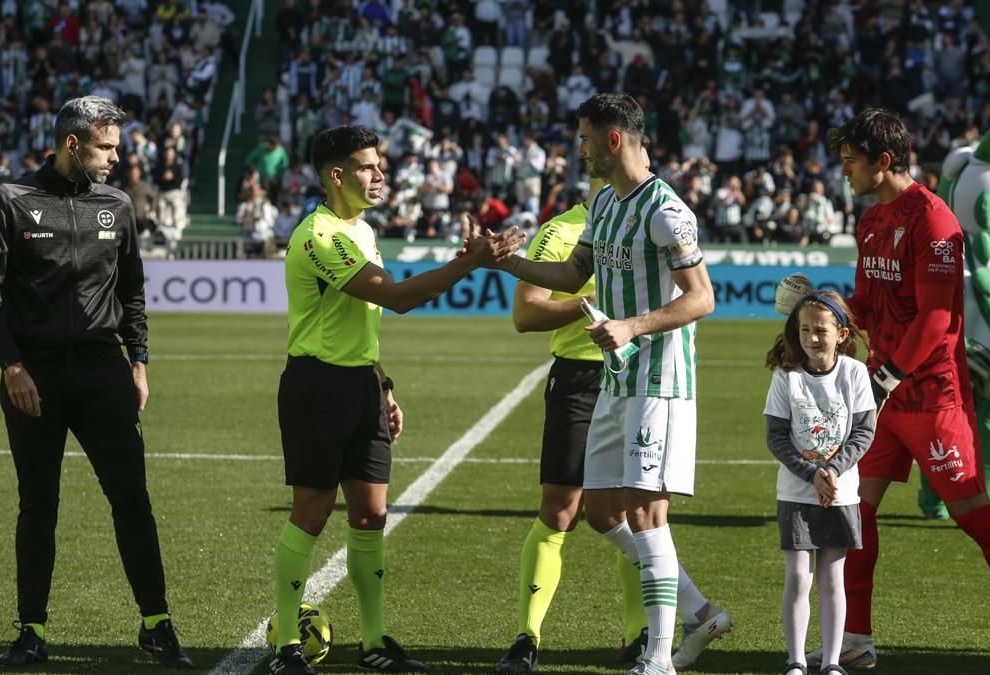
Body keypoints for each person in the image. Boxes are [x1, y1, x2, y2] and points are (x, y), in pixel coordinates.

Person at [776, 108, 990, 674]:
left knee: (977, 518)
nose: (844, 171)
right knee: (854, 512)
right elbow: (865, 305)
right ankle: (857, 639)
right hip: (883, 399)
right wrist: (823, 305)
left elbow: (936, 318)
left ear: (883, 161)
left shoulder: (935, 220)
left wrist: (884, 378)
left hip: (933, 399)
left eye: (851, 161)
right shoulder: (870, 221)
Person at [268, 125, 524, 675]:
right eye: (368, 166)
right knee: (311, 513)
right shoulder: (319, 236)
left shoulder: (362, 231)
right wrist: (471, 262)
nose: (380, 174)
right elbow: (397, 297)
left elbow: (364, 321)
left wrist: (382, 386)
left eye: (379, 163)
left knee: (371, 515)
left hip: (361, 384)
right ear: (337, 175)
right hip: (317, 386)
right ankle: (287, 645)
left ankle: (374, 642)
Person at [489, 93, 729, 675]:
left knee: (647, 513)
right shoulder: (602, 204)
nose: (580, 149)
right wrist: (506, 262)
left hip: (659, 379)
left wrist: (630, 326)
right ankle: (700, 612)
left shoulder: (667, 211)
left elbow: (702, 298)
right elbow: (573, 273)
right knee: (601, 510)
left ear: (613, 139)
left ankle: (657, 658)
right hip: (618, 380)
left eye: (585, 138)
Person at [0, 95, 193, 669]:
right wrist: (12, 367)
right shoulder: (11, 200)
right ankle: (32, 632)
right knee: (38, 505)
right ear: (73, 143)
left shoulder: (118, 204)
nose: (117, 158)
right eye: (106, 147)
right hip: (33, 377)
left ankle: (157, 625)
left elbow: (132, 289)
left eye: (117, 147)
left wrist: (138, 361)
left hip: (102, 372)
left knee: (132, 499)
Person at [495, 176, 649, 674]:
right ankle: (527, 637)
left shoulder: (647, 222)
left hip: (638, 378)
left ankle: (639, 635)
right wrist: (595, 304)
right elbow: (525, 313)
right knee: (559, 509)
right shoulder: (561, 231)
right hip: (580, 381)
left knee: (632, 511)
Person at [763, 291, 875, 675]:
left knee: (832, 579)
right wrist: (812, 474)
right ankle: (796, 661)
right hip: (796, 492)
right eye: (804, 329)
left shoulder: (855, 373)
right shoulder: (786, 376)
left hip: (840, 494)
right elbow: (776, 436)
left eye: (821, 330)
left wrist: (833, 471)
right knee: (798, 577)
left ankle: (831, 663)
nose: (812, 338)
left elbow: (864, 432)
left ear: (841, 334)